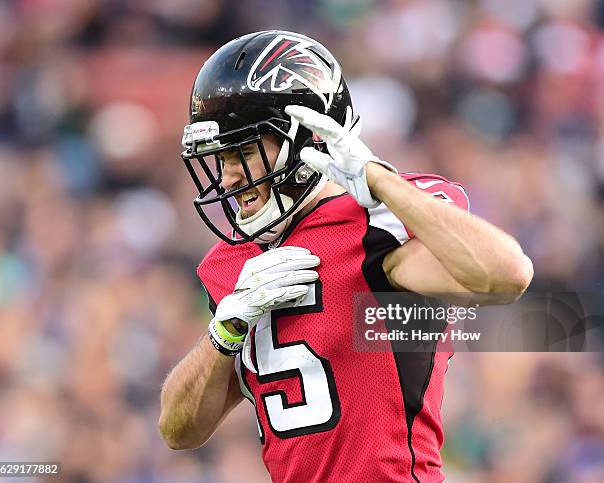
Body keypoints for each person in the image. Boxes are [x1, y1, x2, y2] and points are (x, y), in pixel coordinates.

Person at [158, 30, 533, 482]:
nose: (229, 174)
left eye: (243, 151)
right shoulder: (233, 263)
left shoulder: (378, 225)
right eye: (221, 157)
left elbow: (506, 275)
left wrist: (380, 181)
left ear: (306, 141)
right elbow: (178, 431)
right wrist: (225, 332)